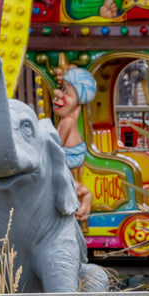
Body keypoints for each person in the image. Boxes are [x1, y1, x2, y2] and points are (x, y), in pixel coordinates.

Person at [52, 65, 97, 221]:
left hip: (70, 156)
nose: (57, 93)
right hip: (77, 151)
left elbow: (56, 145)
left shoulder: (66, 122)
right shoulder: (75, 109)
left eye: (64, 90)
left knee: (57, 175)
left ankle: (85, 194)